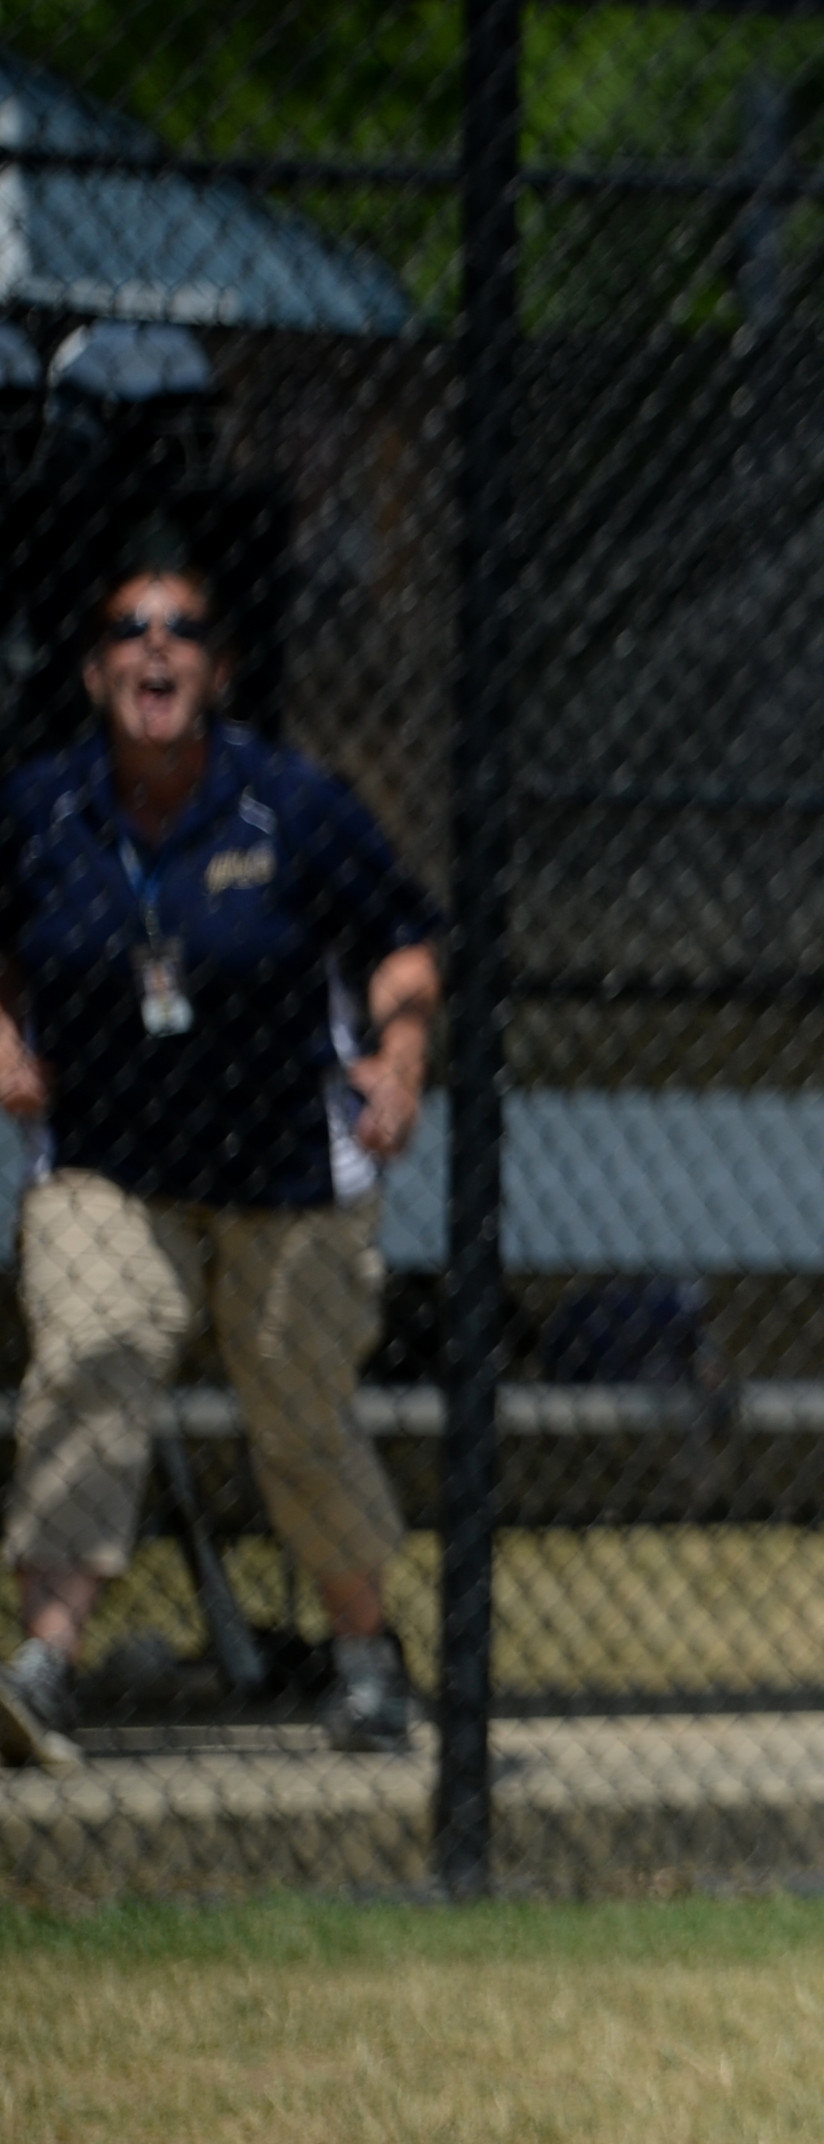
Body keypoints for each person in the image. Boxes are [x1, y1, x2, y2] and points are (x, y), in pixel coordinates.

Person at [0, 559, 437, 1773]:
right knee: (92, 1355)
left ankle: (365, 1657)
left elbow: (401, 943)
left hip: (288, 1160)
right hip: (106, 1155)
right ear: (94, 672)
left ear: (216, 670)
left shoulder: (289, 805)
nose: (156, 649)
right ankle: (44, 1668)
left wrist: (399, 1061)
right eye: (127, 630)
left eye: (183, 630)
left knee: (298, 1410)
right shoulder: (42, 810)